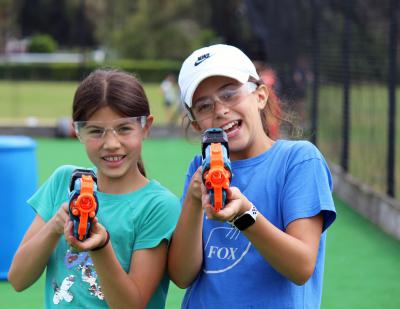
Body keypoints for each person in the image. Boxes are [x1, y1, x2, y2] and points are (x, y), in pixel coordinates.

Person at [168, 44, 336, 309]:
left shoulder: (299, 160)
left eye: (230, 94)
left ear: (260, 96)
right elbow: (181, 275)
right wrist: (192, 199)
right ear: (196, 123)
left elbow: (301, 266)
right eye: (204, 106)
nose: (220, 110)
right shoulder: (199, 169)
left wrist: (243, 215)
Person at [8, 69, 181, 308]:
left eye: (124, 128)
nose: (111, 144)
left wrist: (101, 245)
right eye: (96, 131)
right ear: (77, 131)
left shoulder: (158, 205)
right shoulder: (64, 181)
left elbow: (131, 305)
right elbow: (18, 279)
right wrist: (56, 225)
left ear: (146, 127)